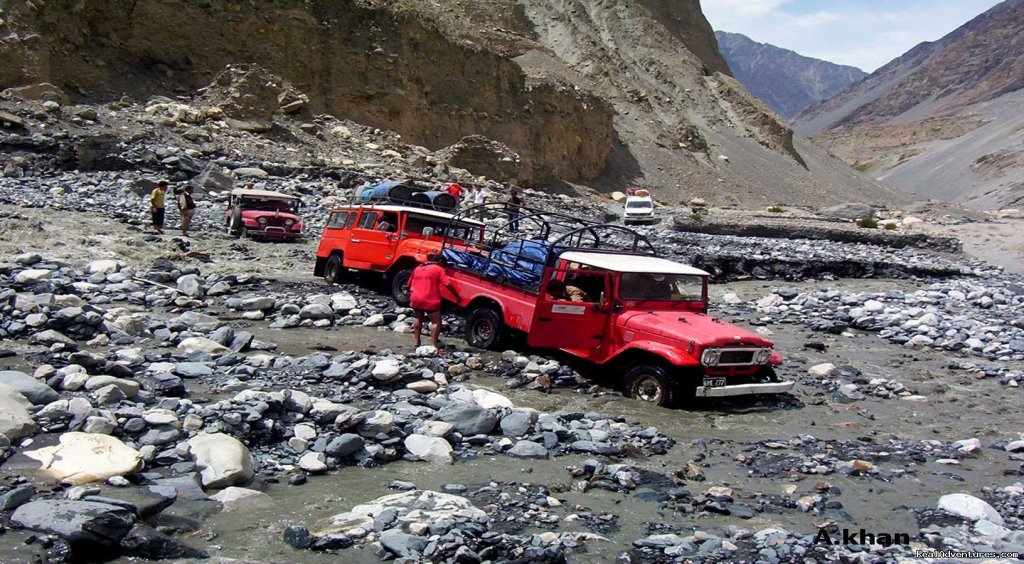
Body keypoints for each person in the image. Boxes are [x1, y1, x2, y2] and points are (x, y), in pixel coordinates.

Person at [409, 253, 460, 350]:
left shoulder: (418, 268)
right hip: (430, 299)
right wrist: (456, 296)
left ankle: (416, 342)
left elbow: (409, 284)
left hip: (415, 297)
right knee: (436, 322)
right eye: (444, 264)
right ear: (440, 262)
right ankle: (432, 345)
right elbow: (447, 284)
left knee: (418, 318)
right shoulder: (438, 269)